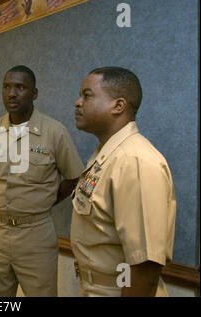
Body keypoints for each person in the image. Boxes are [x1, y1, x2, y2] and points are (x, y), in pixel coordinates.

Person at [0, 65, 84, 296]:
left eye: (20, 87)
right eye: (7, 87)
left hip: (35, 234)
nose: (12, 93)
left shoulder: (54, 131)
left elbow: (74, 178)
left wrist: (44, 200)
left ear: (34, 94)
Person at [71, 66, 177, 297]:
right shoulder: (108, 154)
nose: (77, 103)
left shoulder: (135, 161)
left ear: (118, 106)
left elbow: (145, 265)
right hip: (95, 288)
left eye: (87, 95)